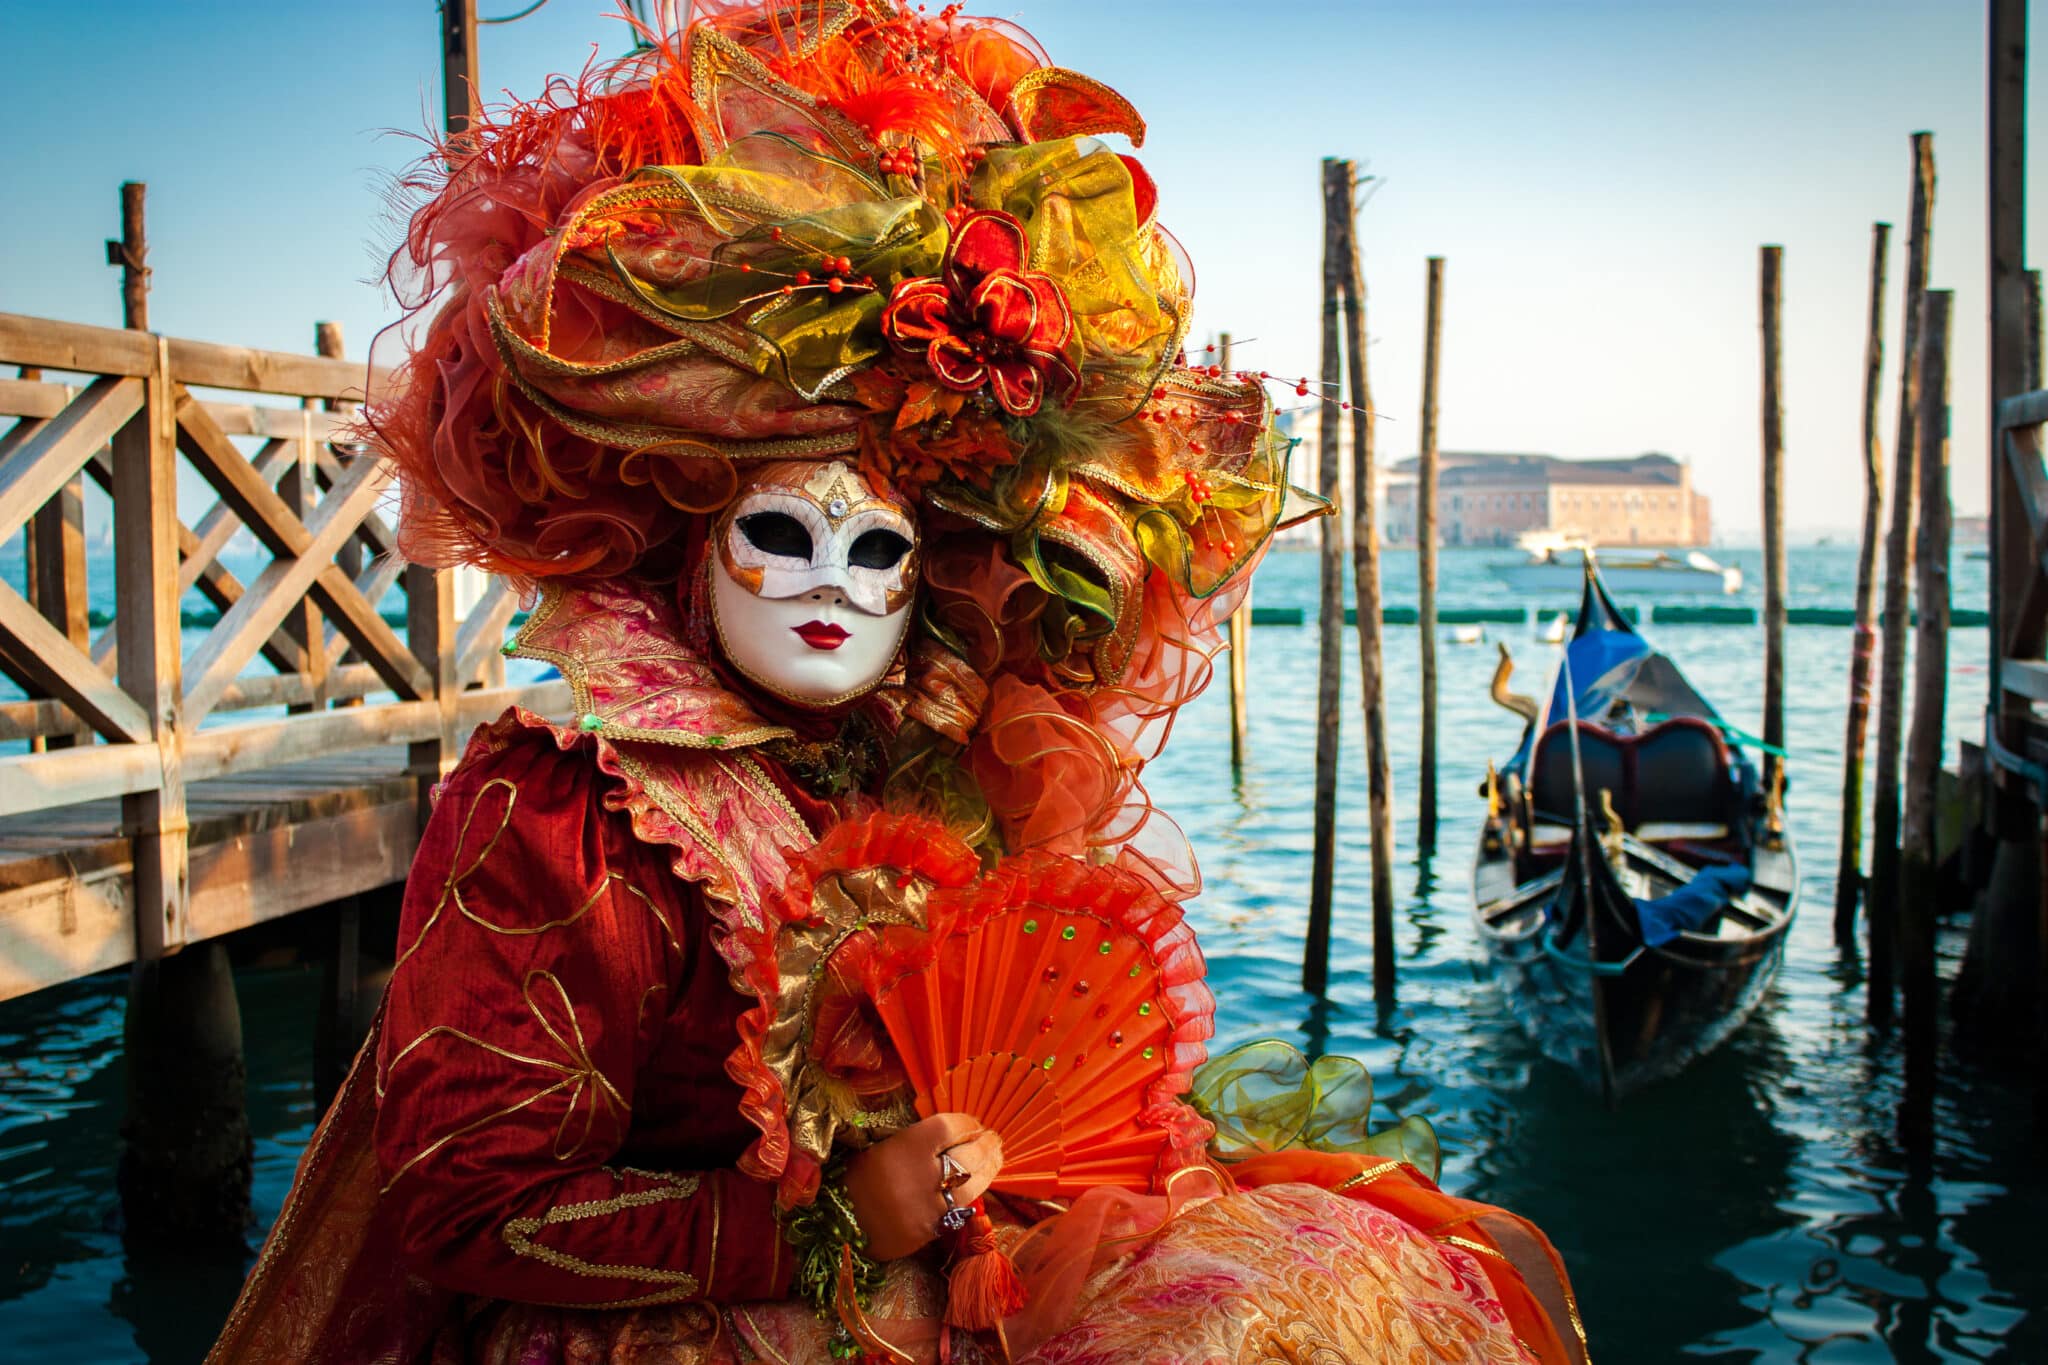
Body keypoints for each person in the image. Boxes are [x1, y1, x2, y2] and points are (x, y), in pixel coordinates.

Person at [208, 3, 1587, 1361]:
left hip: (919, 1291)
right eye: (781, 535)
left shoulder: (920, 764)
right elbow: (465, 1198)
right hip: (657, 1332)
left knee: (1332, 1279)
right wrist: (812, 1223)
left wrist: (973, 1168)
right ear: (691, 537)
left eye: (877, 549)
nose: (831, 586)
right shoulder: (561, 806)